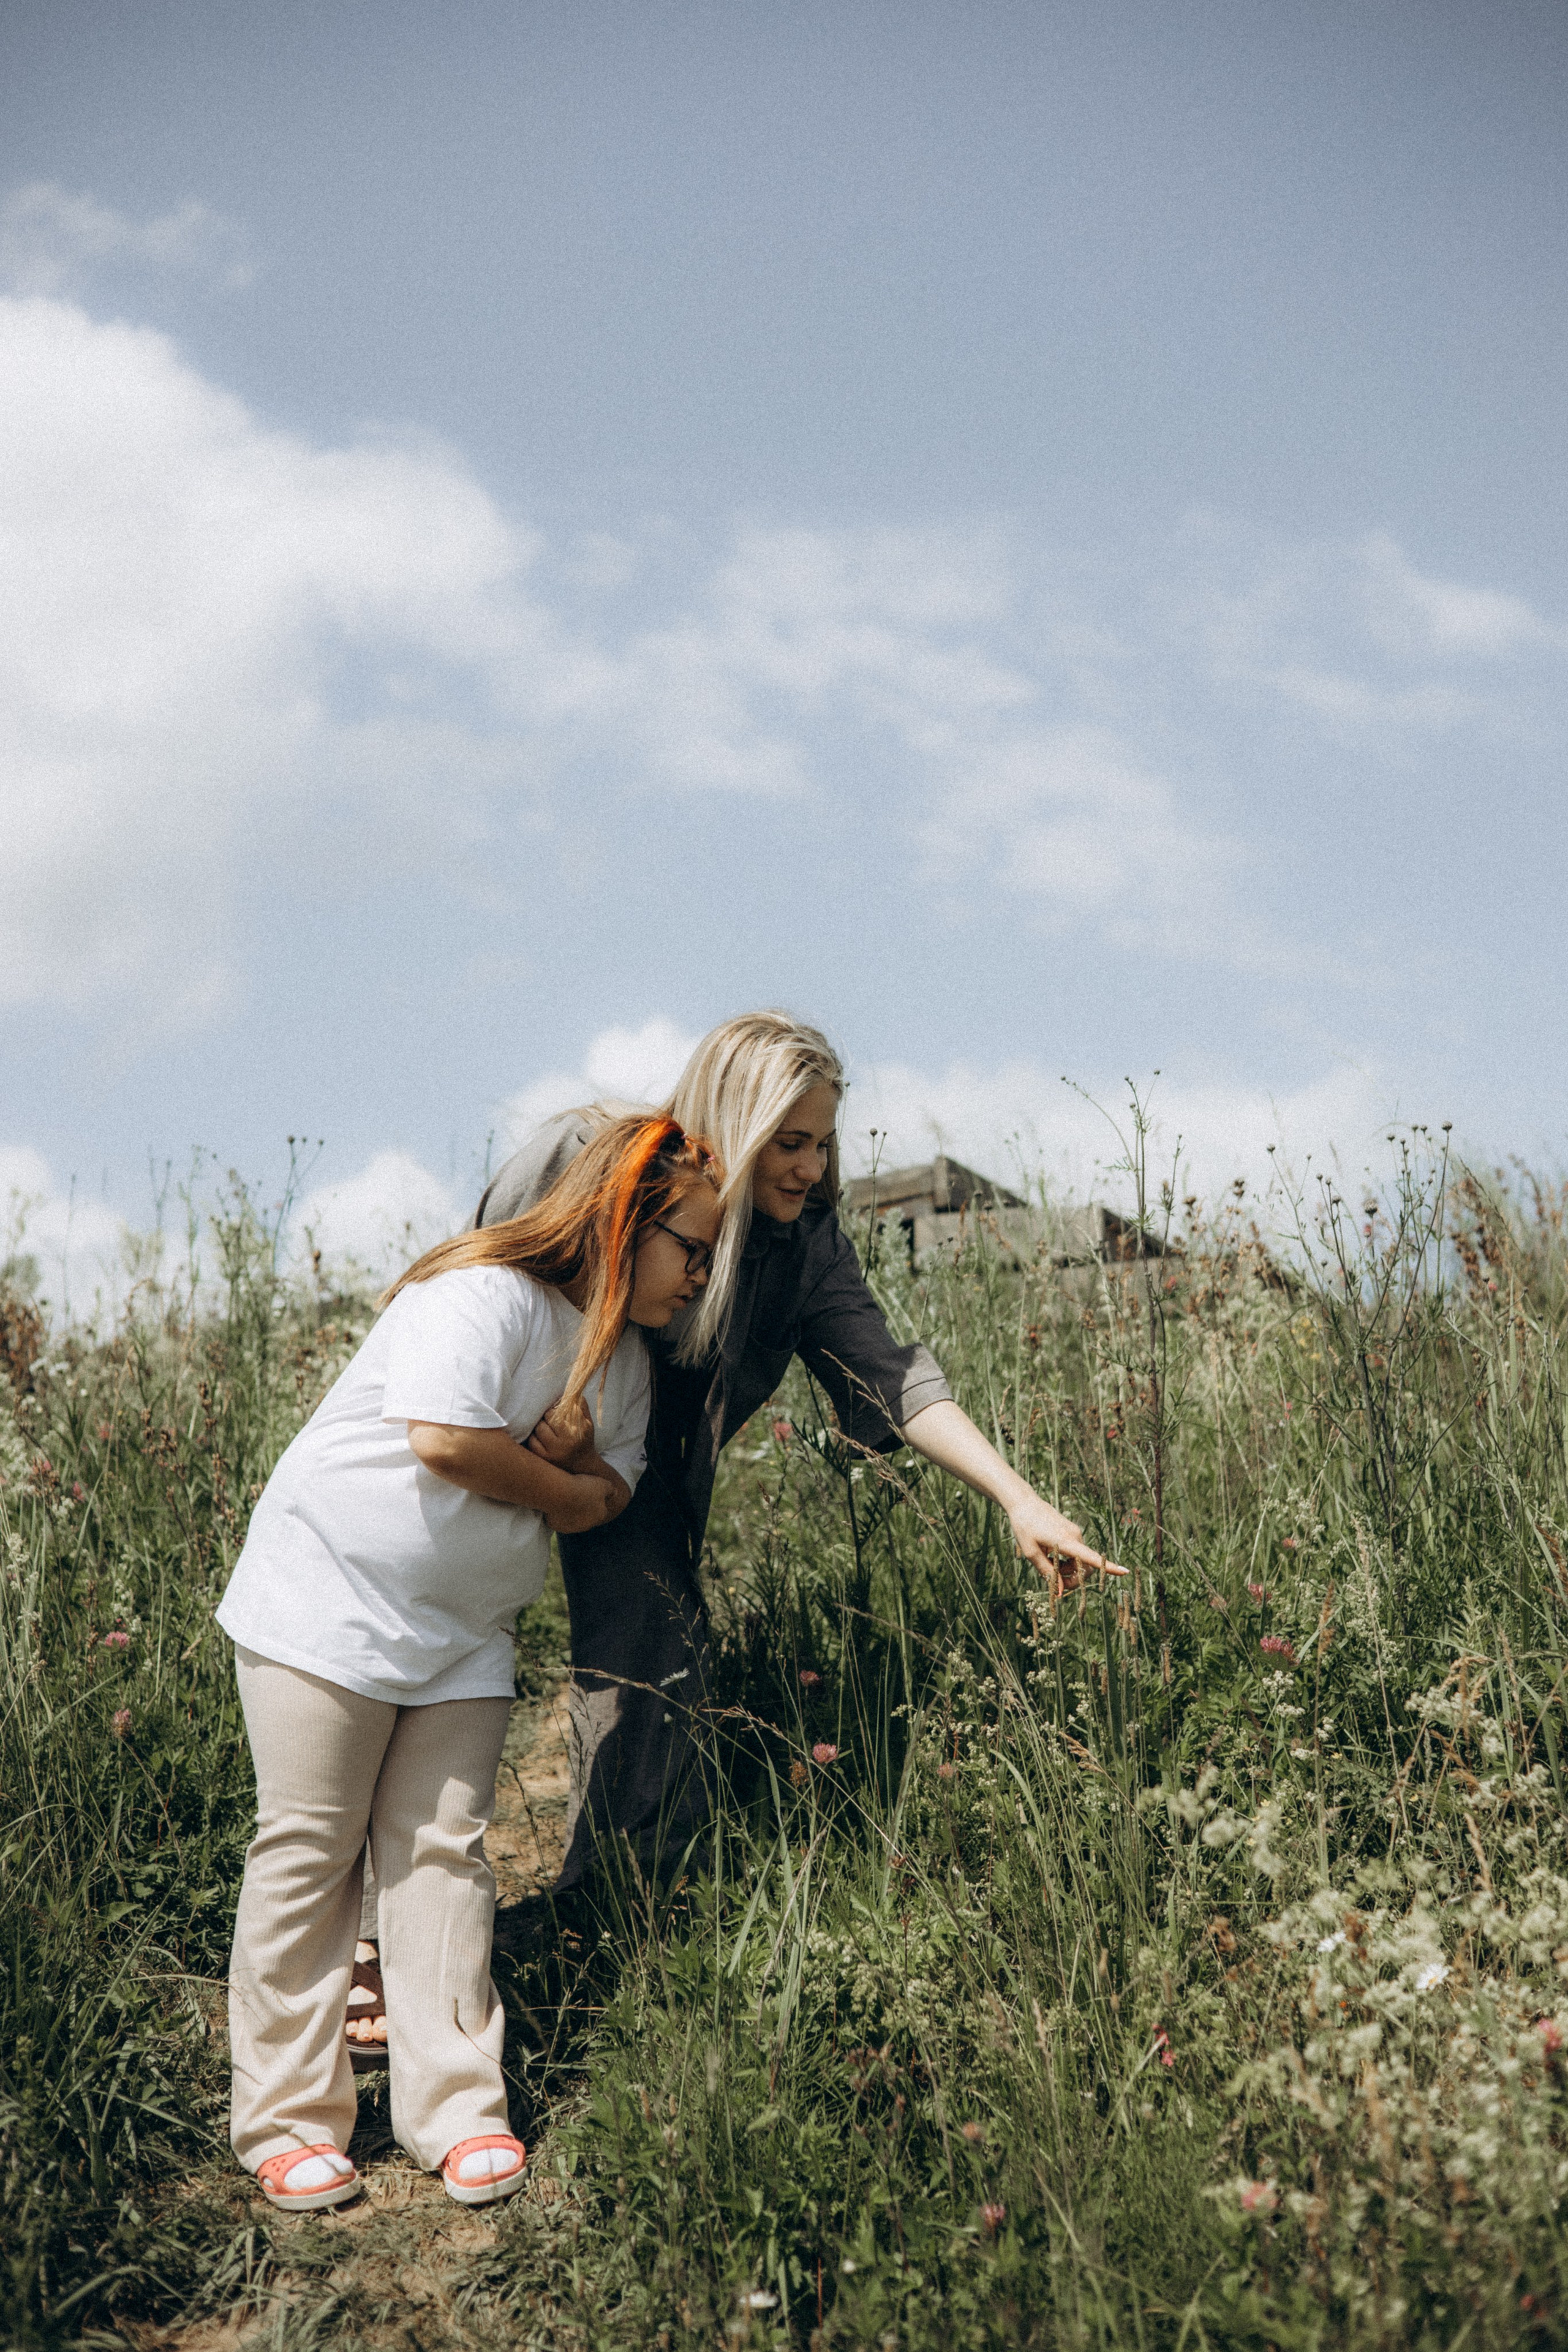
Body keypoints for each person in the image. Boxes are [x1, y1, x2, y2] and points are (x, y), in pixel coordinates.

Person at [348, 1012, 1120, 2053]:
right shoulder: (597, 1162)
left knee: (659, 1671)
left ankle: (600, 1933)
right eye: (789, 1142)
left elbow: (890, 1379)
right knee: (424, 1644)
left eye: (825, 1143)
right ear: (735, 1125)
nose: (811, 1166)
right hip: (501, 1437)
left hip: (644, 1488)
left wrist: (1017, 1498)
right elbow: (484, 1275)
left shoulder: (804, 1251)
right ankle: (358, 1943)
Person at [216, 1116, 722, 2213]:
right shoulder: (483, 1294)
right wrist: (555, 1479)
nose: (702, 1274)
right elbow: (445, 1439)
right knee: (313, 1849)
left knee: (443, 1855)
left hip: (465, 1637)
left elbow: (609, 1501)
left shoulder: (626, 1362)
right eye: (691, 1246)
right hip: (327, 1600)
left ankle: (454, 2108)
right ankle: (288, 2120)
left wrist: (574, 1460)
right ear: (622, 1222)